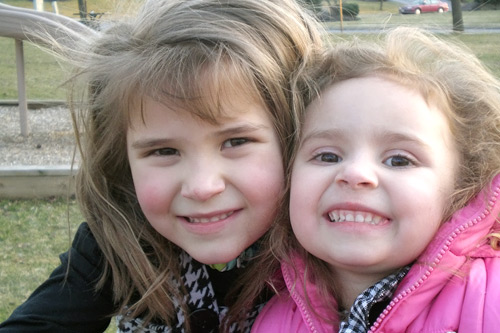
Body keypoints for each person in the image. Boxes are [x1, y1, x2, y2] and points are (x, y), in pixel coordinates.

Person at [0, 0, 323, 332]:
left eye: (236, 142)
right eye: (164, 151)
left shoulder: (334, 249)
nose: (201, 186)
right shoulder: (123, 240)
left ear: (295, 137)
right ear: (122, 160)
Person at [250, 27, 500, 332]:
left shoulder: (490, 298)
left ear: (462, 187)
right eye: (328, 156)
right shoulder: (271, 318)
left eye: (398, 160)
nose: (355, 174)